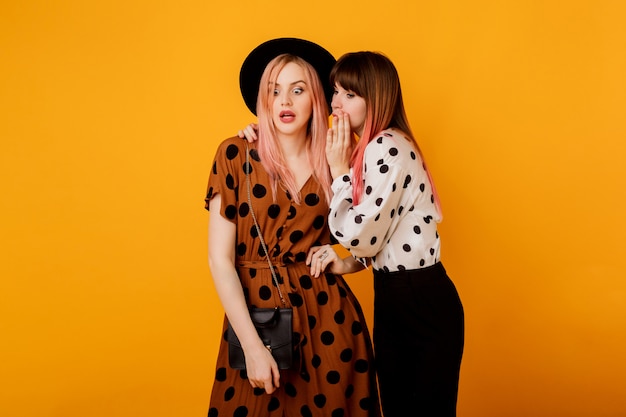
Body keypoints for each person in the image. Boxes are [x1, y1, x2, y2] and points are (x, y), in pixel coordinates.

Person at [240, 50, 464, 417]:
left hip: (420, 298)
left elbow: (361, 234)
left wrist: (341, 170)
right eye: (335, 92)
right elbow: (384, 230)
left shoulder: (386, 146)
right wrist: (257, 130)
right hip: (397, 293)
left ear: (376, 98)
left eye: (349, 94)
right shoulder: (372, 147)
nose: (336, 103)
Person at [205, 38, 380, 417]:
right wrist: (252, 348)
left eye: (297, 90)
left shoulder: (341, 157)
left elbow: (369, 245)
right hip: (257, 321)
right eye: (274, 90)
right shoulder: (235, 154)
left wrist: (341, 260)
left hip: (329, 324)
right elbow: (220, 261)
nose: (284, 101)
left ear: (316, 98)